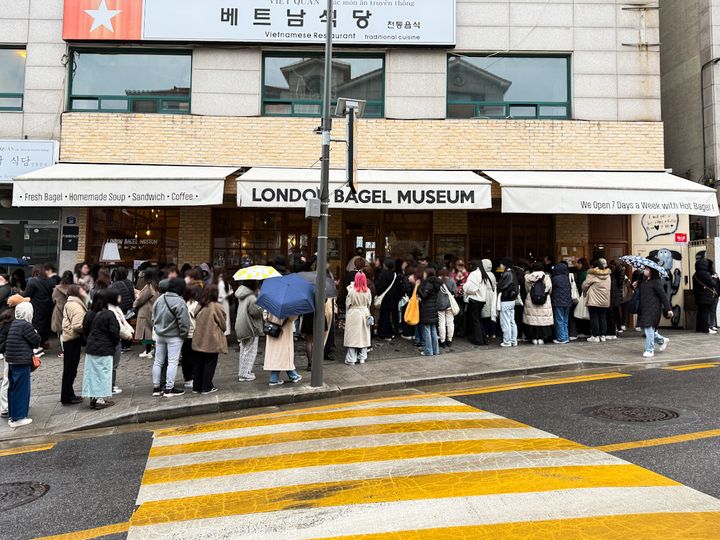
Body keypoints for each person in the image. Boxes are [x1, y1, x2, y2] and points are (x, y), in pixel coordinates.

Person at [151, 278, 190, 397]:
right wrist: (183, 334)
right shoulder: (180, 301)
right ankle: (169, 388)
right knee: (173, 362)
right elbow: (184, 322)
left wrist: (157, 328)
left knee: (158, 361)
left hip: (160, 335)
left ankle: (156, 388)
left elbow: (153, 317)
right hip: (174, 336)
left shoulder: (160, 299)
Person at [82, 289, 119, 410]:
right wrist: (114, 343)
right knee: (103, 374)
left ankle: (93, 398)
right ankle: (100, 399)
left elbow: (85, 330)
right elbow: (114, 332)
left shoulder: (89, 313)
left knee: (92, 374)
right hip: (105, 348)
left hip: (91, 347)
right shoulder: (109, 314)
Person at [5, 303, 40, 427]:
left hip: (12, 360)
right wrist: (35, 332)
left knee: (13, 389)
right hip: (21, 361)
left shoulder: (14, 323)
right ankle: (19, 418)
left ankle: (12, 416)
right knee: (22, 389)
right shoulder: (26, 325)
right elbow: (36, 341)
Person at [192, 284, 226, 394]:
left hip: (198, 338)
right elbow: (223, 324)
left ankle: (196, 387)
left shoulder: (199, 305)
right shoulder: (216, 306)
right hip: (211, 339)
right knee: (210, 363)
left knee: (199, 363)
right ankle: (206, 387)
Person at [637, 267, 674, 358]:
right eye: (645, 268)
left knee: (648, 328)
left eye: (647, 269)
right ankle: (662, 340)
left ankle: (649, 350)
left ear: (652, 271)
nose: (645, 270)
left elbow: (663, 296)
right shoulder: (644, 281)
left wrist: (668, 309)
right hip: (643, 308)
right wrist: (635, 284)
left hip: (653, 308)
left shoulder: (656, 282)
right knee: (643, 328)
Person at [60, 285, 88, 406]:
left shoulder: (71, 303)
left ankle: (68, 394)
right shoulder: (76, 305)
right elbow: (77, 325)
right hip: (72, 339)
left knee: (69, 369)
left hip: (69, 338)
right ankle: (67, 397)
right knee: (70, 369)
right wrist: (87, 329)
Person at [234, 280, 264, 382]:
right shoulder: (251, 297)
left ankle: (243, 372)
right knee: (250, 351)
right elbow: (256, 312)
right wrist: (260, 301)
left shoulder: (242, 295)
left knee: (244, 350)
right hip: (250, 327)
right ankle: (245, 374)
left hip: (242, 325)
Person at [20, 265, 54, 349]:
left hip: (36, 306)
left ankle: (36, 345)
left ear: (34, 271)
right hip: (48, 307)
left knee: (36, 326)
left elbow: (27, 295)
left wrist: (20, 292)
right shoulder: (50, 281)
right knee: (45, 325)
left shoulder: (32, 281)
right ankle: (43, 343)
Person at [107, 289, 134, 396]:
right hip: (114, 339)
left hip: (116, 338)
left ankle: (111, 385)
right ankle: (110, 386)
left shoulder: (115, 308)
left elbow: (123, 322)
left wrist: (129, 330)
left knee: (113, 364)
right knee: (113, 364)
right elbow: (118, 326)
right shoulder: (111, 310)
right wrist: (128, 335)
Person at [264, 315, 302, 386]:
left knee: (277, 355)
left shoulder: (271, 307)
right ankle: (274, 378)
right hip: (284, 332)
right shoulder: (288, 308)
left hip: (272, 330)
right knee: (284, 355)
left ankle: (293, 375)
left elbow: (265, 316)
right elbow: (292, 318)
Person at [344, 272, 372, 365]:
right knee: (364, 336)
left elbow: (348, 303)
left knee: (352, 337)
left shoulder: (351, 291)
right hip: (364, 313)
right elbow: (369, 303)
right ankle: (362, 358)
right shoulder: (367, 291)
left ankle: (351, 359)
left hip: (353, 313)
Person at [463, 260, 492, 346]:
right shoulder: (483, 273)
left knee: (475, 321)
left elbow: (472, 289)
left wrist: (464, 287)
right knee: (478, 320)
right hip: (482, 300)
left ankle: (478, 340)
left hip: (474, 300)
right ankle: (484, 339)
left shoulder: (474, 274)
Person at [524, 262, 554, 345]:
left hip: (531, 299)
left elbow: (527, 289)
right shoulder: (546, 277)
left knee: (533, 319)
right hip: (544, 300)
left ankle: (534, 338)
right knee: (542, 319)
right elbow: (549, 289)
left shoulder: (528, 277)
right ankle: (541, 338)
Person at [582, 259, 612, 342]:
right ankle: (603, 335)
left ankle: (595, 336)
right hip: (605, 299)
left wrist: (584, 291)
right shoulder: (608, 274)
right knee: (603, 317)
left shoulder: (592, 274)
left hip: (594, 299)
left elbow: (585, 285)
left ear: (592, 266)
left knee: (594, 317)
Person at [134, 268, 160, 358]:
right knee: (151, 330)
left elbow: (141, 299)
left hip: (146, 311)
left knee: (146, 332)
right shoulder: (156, 286)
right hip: (153, 310)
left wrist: (135, 303)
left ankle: (148, 351)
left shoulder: (149, 287)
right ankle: (151, 349)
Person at [375, 258, 401, 341]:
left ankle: (384, 334)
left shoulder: (383, 274)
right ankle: (391, 332)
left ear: (385, 265)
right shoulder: (395, 274)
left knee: (384, 316)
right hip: (393, 298)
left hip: (384, 298)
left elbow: (379, 285)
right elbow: (398, 287)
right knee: (391, 316)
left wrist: (378, 294)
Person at [110, 266, 136, 351]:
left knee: (120, 326)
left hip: (120, 307)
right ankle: (128, 344)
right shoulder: (129, 282)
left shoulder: (114, 284)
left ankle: (122, 345)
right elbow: (132, 294)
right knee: (127, 325)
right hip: (128, 307)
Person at [417, 267, 441, 356]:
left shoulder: (429, 284)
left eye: (424, 273)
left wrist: (417, 287)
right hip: (433, 310)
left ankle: (428, 351)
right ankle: (435, 350)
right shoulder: (435, 284)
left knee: (427, 331)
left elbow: (424, 296)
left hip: (427, 310)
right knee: (433, 330)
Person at [180, 285, 200, 389]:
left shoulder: (183, 304)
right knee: (195, 358)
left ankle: (187, 378)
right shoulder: (196, 305)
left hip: (185, 335)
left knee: (186, 358)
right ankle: (194, 377)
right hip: (194, 334)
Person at [51, 271, 74, 358]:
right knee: (72, 331)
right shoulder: (75, 288)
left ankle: (65, 351)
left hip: (59, 311)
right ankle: (71, 349)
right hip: (72, 311)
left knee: (61, 332)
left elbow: (54, 299)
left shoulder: (57, 289)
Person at [497, 258, 519, 347]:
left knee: (505, 322)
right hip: (512, 300)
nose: (500, 266)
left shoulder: (506, 274)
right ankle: (514, 340)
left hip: (506, 300)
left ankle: (507, 341)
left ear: (505, 264)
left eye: (501, 264)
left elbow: (501, 286)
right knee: (512, 321)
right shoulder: (513, 272)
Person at [693, 258, 718, 334]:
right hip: (706, 296)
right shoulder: (705, 274)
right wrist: (714, 278)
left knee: (700, 312)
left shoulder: (695, 274)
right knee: (705, 313)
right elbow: (712, 284)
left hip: (698, 296)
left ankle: (699, 328)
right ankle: (705, 329)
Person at [550, 261, 572, 344]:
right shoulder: (567, 278)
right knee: (565, 321)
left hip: (558, 302)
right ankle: (566, 336)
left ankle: (561, 338)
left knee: (559, 320)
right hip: (568, 302)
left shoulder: (555, 279)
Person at [436, 269, 457, 349]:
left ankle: (442, 341)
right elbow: (455, 291)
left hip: (440, 304)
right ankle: (449, 340)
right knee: (450, 322)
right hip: (449, 304)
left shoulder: (437, 281)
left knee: (441, 323)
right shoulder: (451, 281)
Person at [479, 259, 498, 340]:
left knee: (484, 315)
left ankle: (486, 333)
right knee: (492, 315)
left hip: (484, 295)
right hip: (492, 295)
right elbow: (494, 286)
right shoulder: (492, 274)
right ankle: (493, 333)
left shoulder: (482, 274)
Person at [0, 309, 13, 418]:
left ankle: (6, 407)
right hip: (9, 354)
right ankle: (4, 408)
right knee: (7, 379)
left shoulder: (4, 326)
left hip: (8, 354)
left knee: (7, 379)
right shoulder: (7, 327)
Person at [214, 267, 233, 337]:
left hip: (220, 304)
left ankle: (223, 335)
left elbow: (220, 298)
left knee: (221, 319)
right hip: (225, 303)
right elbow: (231, 292)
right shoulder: (225, 282)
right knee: (226, 319)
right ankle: (225, 334)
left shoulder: (220, 283)